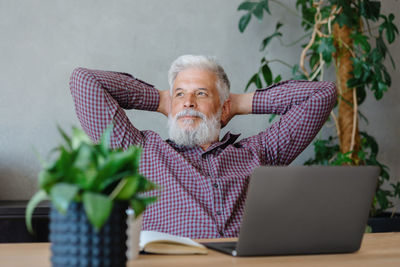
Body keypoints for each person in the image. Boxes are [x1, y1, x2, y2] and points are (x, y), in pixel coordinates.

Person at [70, 55, 336, 238]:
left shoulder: (260, 152)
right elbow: (84, 82)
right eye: (180, 94)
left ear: (223, 106)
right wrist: (159, 98)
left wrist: (237, 104)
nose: (188, 102)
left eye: (201, 93)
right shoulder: (139, 150)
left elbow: (321, 95)